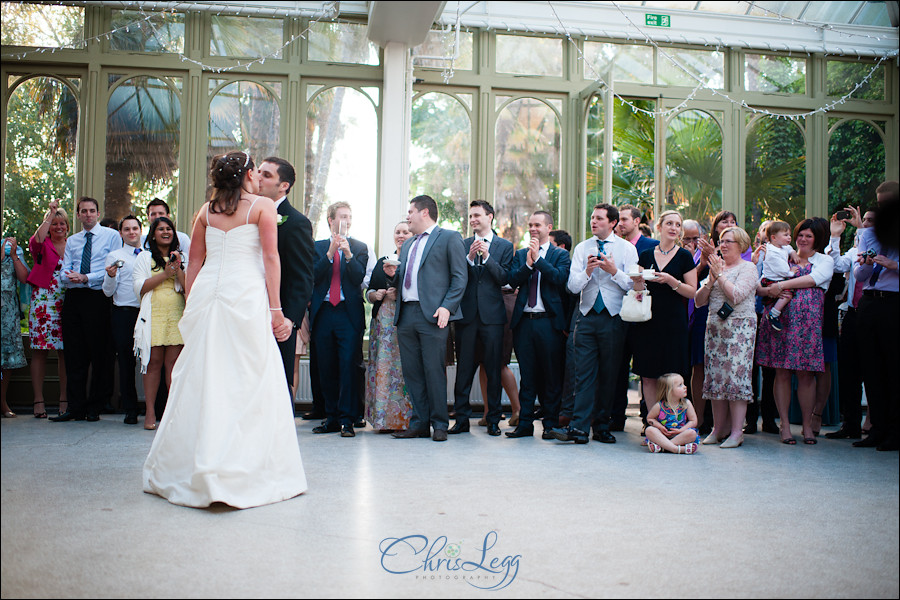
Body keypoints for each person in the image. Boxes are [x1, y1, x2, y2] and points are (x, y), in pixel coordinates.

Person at [143, 151, 306, 509]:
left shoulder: (205, 211)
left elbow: (196, 260)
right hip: (246, 297)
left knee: (206, 375)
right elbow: (270, 259)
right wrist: (276, 309)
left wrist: (193, 301)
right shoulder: (262, 207)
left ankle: (192, 462)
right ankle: (246, 464)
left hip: (209, 296)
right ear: (248, 174)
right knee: (249, 377)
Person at [552, 204, 637, 444]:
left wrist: (613, 271)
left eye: (599, 218)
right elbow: (571, 287)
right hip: (586, 317)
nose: (593, 221)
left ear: (612, 223)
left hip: (614, 317)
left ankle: (602, 426)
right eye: (592, 217)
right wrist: (587, 272)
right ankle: (579, 428)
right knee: (583, 373)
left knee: (610, 373)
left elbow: (633, 285)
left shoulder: (627, 249)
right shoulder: (582, 248)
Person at [391, 195, 467, 442]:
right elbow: (406, 277)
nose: (408, 216)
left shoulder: (449, 237)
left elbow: (459, 277)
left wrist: (447, 307)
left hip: (434, 316)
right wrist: (394, 274)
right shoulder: (409, 244)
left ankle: (440, 424)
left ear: (425, 212)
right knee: (412, 372)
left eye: (411, 211)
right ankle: (419, 423)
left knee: (434, 371)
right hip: (406, 314)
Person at [757, 219, 834, 445]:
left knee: (806, 375)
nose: (802, 239)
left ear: (817, 239)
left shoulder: (825, 261)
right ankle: (785, 426)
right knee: (781, 373)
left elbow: (814, 280)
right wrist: (771, 288)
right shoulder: (781, 255)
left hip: (807, 325)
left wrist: (781, 286)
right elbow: (761, 284)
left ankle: (808, 427)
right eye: (800, 234)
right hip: (780, 321)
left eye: (808, 236)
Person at [51, 197, 121, 423]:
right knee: (74, 354)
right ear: (78, 215)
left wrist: (86, 277)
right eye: (84, 211)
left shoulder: (111, 236)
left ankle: (95, 407)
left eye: (92, 211)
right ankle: (75, 407)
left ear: (98, 214)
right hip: (74, 298)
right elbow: (65, 268)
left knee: (99, 354)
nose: (88, 214)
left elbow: (114, 268)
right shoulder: (72, 240)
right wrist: (68, 276)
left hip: (98, 297)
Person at [450, 200, 514, 437]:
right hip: (466, 317)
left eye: (477, 215)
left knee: (494, 370)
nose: (473, 219)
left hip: (493, 318)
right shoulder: (462, 244)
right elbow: (457, 277)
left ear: (490, 217)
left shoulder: (505, 246)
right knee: (464, 370)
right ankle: (461, 420)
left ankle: (494, 420)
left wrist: (487, 258)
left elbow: (504, 278)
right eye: (471, 216)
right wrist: (468, 258)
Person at [506, 211, 571, 439]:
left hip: (549, 323)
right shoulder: (522, 254)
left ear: (549, 227)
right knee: (528, 376)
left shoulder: (559, 255)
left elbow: (560, 279)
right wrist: (528, 264)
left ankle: (550, 426)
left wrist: (539, 261)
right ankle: (524, 425)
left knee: (552, 376)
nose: (533, 228)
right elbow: (512, 279)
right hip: (524, 323)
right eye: (530, 224)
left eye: (538, 225)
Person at [694, 226, 759, 448]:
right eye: (721, 240)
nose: (723, 245)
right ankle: (717, 429)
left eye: (728, 241)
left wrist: (719, 275)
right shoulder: (716, 267)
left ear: (741, 245)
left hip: (740, 329)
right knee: (716, 379)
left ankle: (736, 432)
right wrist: (710, 280)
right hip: (715, 328)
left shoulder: (748, 268)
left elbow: (737, 294)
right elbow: (698, 301)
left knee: (735, 378)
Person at [256, 157, 315, 403]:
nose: (258, 177)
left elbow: (303, 277)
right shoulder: (247, 215)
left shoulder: (297, 223)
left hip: (277, 318)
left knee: (277, 382)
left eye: (267, 175)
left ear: (284, 186)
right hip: (246, 306)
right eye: (258, 172)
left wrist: (290, 319)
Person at [628, 210, 698, 416]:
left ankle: (673, 421)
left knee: (673, 376)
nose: (673, 228)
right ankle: (651, 422)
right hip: (648, 321)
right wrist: (638, 282)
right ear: (659, 227)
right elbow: (637, 291)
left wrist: (671, 281)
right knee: (648, 376)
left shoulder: (685, 256)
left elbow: (692, 291)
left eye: (677, 225)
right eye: (669, 223)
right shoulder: (647, 255)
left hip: (674, 323)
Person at [309, 202, 369, 438]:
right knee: (326, 366)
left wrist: (347, 253)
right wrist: (331, 252)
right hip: (324, 312)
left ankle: (347, 420)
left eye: (350, 217)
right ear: (331, 220)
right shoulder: (317, 247)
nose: (347, 220)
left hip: (348, 313)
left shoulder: (359, 247)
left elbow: (357, 278)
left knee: (348, 366)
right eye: (342, 216)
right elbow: (314, 276)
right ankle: (331, 417)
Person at [852, 182, 899, 451]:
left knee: (894, 367)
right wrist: (866, 265)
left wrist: (895, 265)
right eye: (879, 203)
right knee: (871, 367)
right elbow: (859, 277)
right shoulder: (869, 234)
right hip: (870, 303)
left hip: (895, 303)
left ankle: (895, 431)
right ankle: (876, 429)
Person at [825, 208, 875, 439]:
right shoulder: (856, 249)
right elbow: (836, 265)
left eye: (869, 222)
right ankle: (851, 425)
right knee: (849, 370)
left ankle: (876, 424)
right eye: (863, 220)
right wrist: (835, 237)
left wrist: (862, 230)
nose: (862, 224)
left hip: (878, 311)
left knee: (874, 370)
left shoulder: (883, 247)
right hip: (854, 313)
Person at [133, 216, 186, 430]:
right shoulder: (144, 258)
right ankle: (150, 412)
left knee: (173, 366)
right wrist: (165, 274)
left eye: (169, 229)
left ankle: (172, 413)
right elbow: (139, 288)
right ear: (153, 234)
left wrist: (178, 268)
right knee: (153, 363)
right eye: (161, 229)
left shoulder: (181, 258)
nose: (166, 232)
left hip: (176, 314)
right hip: (153, 314)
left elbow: (189, 289)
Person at [613, 204, 660, 431]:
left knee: (646, 370)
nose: (620, 223)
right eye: (618, 220)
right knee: (618, 366)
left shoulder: (651, 246)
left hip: (643, 316)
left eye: (624, 219)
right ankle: (615, 417)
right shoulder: (612, 246)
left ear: (636, 221)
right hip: (618, 313)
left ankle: (647, 419)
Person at [365, 221, 413, 432]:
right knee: (384, 368)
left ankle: (406, 419)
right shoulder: (382, 261)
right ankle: (383, 420)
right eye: (398, 232)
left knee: (405, 370)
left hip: (406, 321)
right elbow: (369, 292)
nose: (401, 235)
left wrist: (398, 290)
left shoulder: (414, 261)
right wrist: (375, 295)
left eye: (405, 232)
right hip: (383, 323)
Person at [27, 200, 69, 417]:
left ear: (68, 227)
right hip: (44, 302)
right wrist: (49, 215)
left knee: (65, 353)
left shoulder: (73, 245)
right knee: (40, 352)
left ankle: (64, 399)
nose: (58, 227)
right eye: (54, 223)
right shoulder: (43, 245)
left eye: (62, 223)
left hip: (67, 303)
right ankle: (38, 400)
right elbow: (36, 239)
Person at [102, 215, 143, 424]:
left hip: (146, 312)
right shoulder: (114, 256)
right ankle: (130, 408)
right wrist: (109, 277)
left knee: (150, 361)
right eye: (127, 229)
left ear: (141, 230)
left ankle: (156, 406)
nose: (131, 232)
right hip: (123, 313)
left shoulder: (150, 254)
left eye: (135, 228)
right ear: (121, 233)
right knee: (126, 362)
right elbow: (108, 293)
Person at [1, 236, 29, 417]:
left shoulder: (11, 246)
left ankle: (2, 401)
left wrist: (13, 255)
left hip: (7, 312)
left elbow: (24, 278)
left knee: (7, 358)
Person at [759, 221, 801, 332]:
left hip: (777, 279)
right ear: (773, 237)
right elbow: (782, 270)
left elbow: (789, 249)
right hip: (770, 280)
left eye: (789, 235)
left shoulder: (781, 247)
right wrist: (791, 272)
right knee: (788, 294)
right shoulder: (772, 253)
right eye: (785, 235)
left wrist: (793, 253)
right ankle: (774, 313)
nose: (789, 238)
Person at [644, 373, 699, 454]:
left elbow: (693, 421)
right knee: (649, 430)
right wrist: (660, 427)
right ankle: (676, 449)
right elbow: (650, 418)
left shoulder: (686, 404)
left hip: (680, 435)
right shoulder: (659, 405)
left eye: (683, 384)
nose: (685, 387)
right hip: (662, 435)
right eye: (680, 385)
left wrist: (681, 430)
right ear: (669, 391)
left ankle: (663, 447)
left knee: (692, 433)